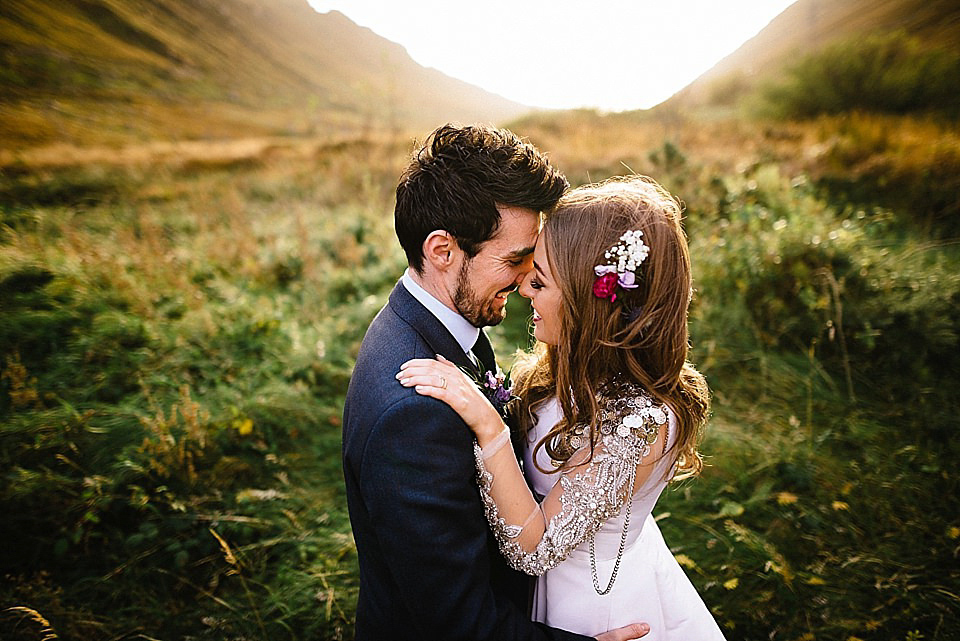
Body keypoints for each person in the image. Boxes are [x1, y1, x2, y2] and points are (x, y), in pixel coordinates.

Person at [342, 124, 650, 641]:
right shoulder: (411, 415)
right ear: (443, 250)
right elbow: (458, 624)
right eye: (514, 260)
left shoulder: (445, 325)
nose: (529, 279)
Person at [398, 176, 727, 639]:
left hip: (595, 611)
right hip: (535, 598)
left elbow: (533, 549)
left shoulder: (638, 425)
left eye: (541, 279)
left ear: (590, 303)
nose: (524, 287)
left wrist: (490, 429)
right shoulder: (557, 370)